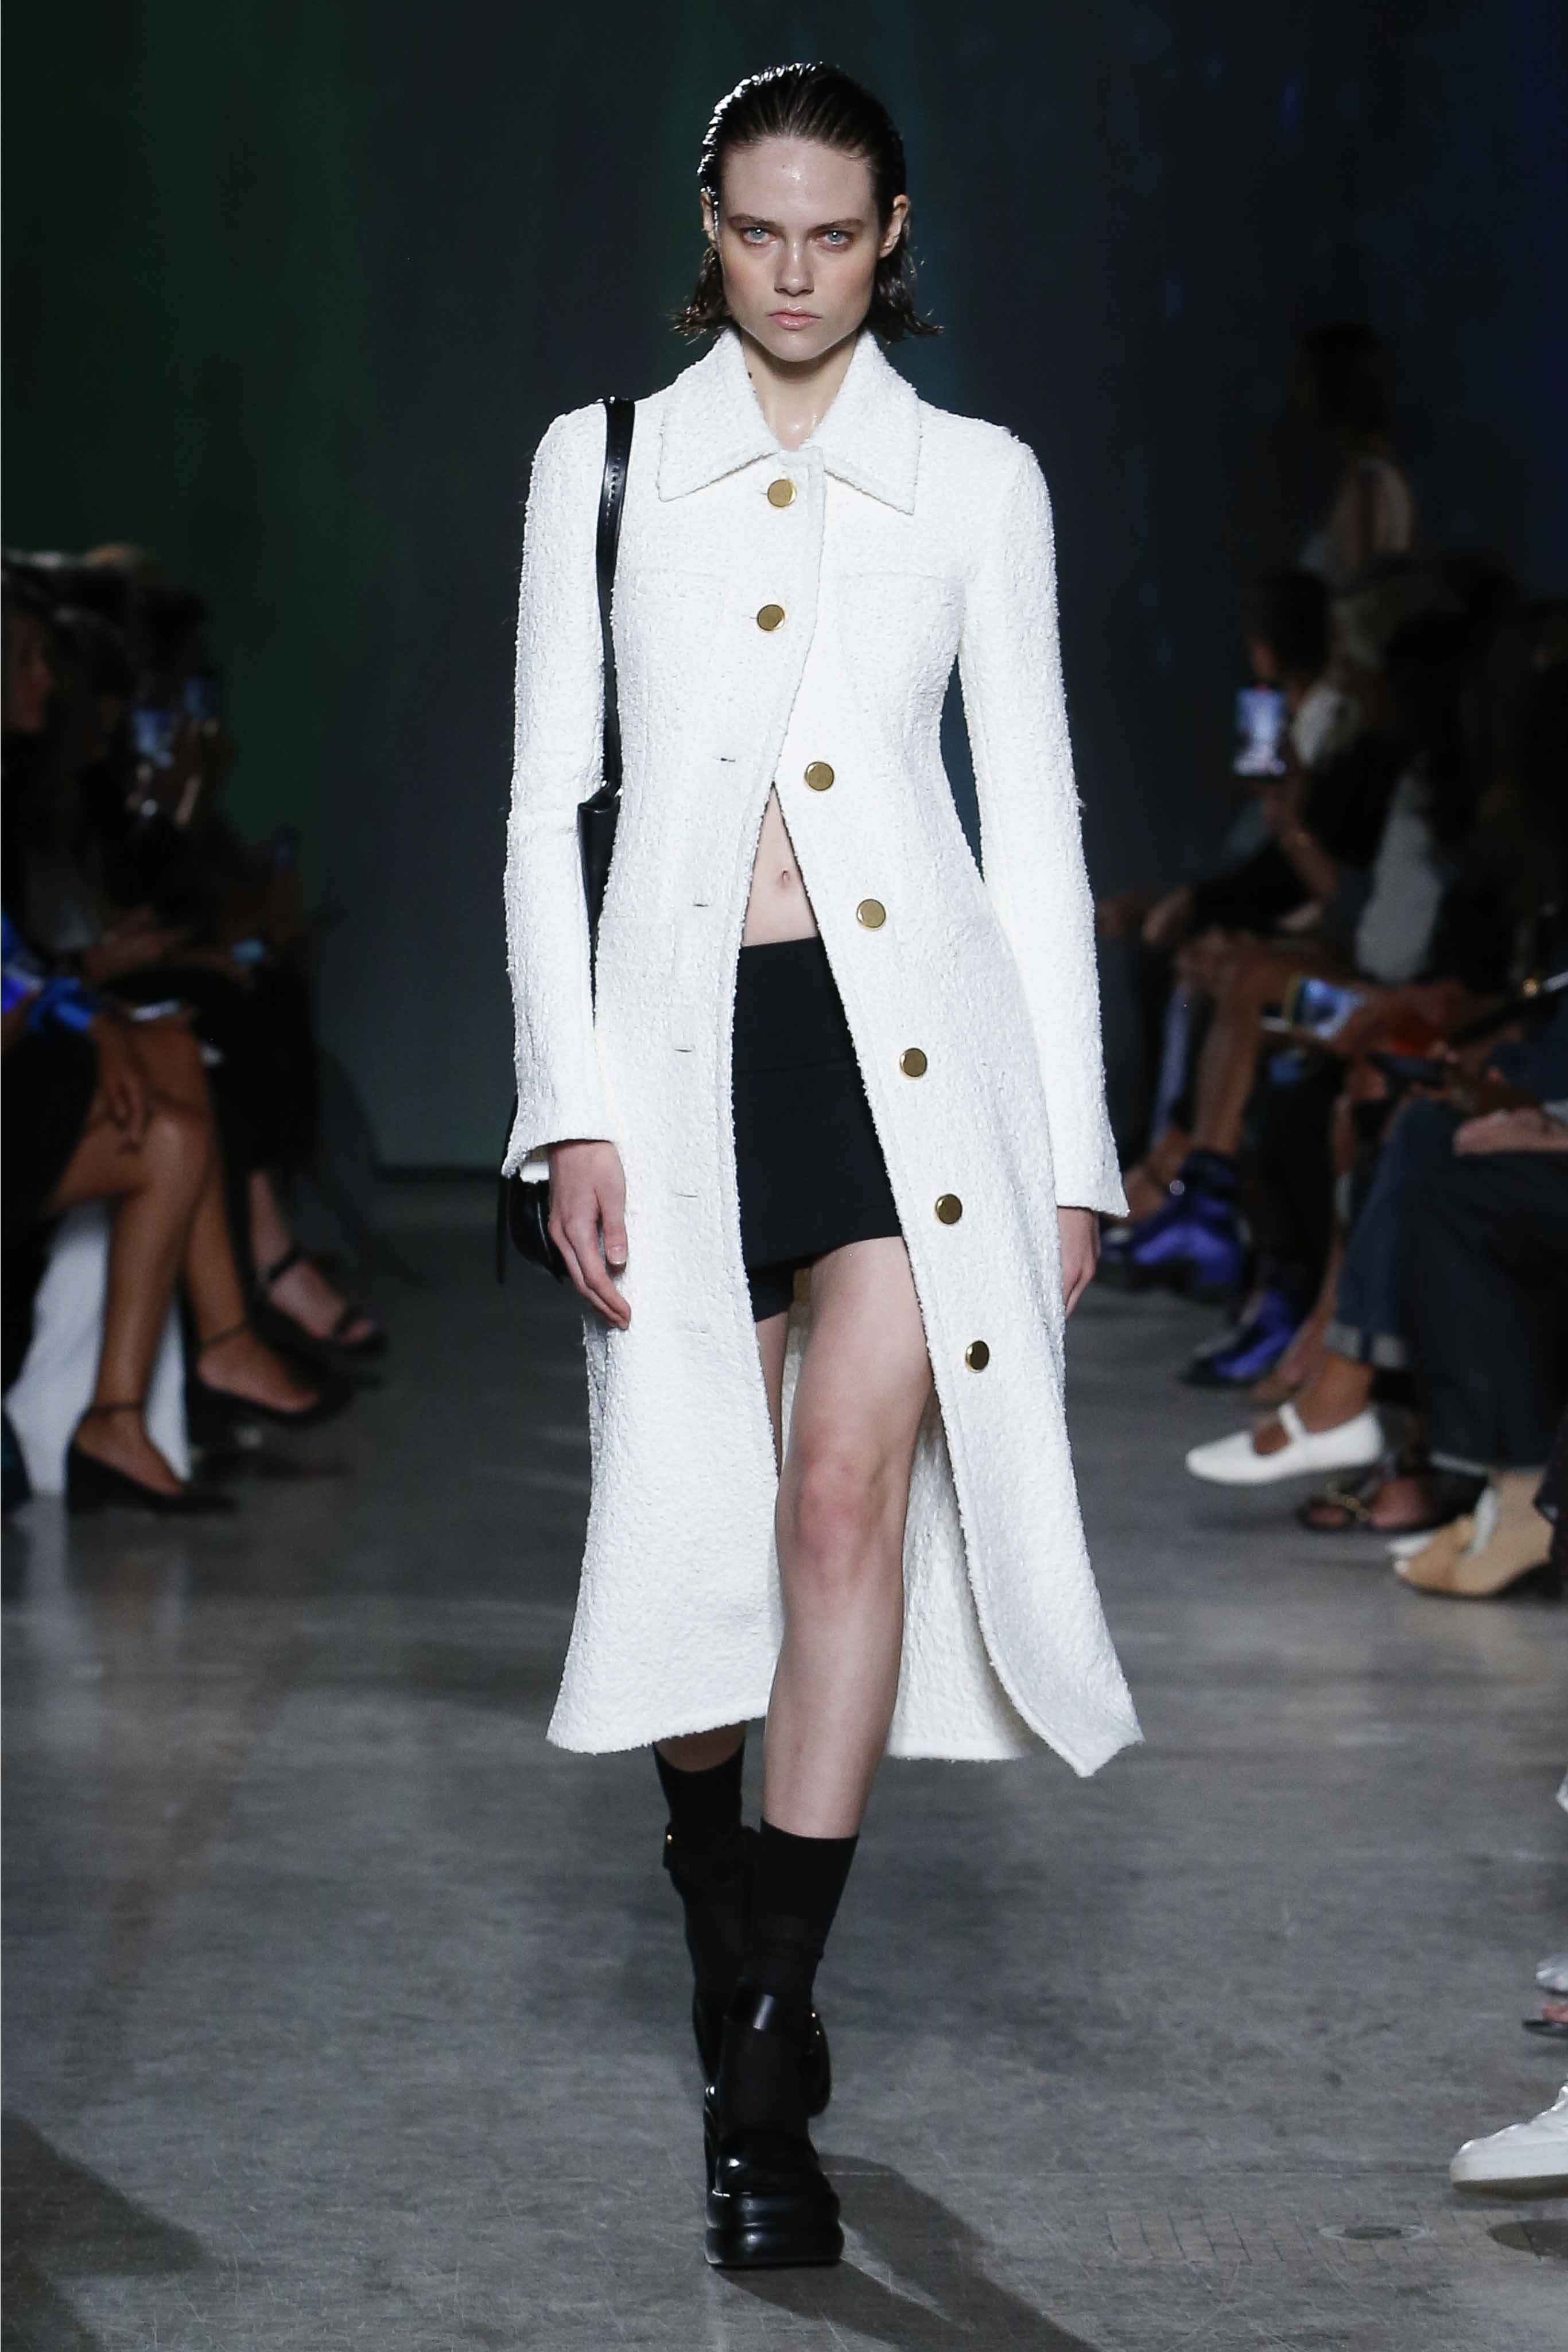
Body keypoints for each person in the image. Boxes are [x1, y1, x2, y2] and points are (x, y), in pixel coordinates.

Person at [500, 62, 1139, 2269]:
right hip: (678, 1065)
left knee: (841, 1500)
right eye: (759, 233)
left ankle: (768, 2048)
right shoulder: (600, 463)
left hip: (913, 1063)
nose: (794, 276)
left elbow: (1033, 817)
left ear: (892, 240)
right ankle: (717, 1898)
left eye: (834, 237)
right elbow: (541, 805)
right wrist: (567, 1107)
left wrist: (1072, 1156)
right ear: (711, 227)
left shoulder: (973, 480)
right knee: (691, 1519)